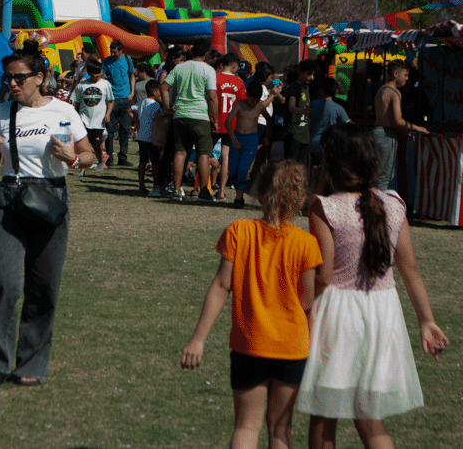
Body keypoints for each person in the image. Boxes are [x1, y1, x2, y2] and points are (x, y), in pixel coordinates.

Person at [297, 123, 449, 449]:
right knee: (368, 413)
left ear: (330, 163)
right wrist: (426, 320)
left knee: (324, 416)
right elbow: (410, 269)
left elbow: (322, 276)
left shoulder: (324, 206)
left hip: (337, 312)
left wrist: (301, 309)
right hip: (383, 311)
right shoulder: (393, 203)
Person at [0, 40, 95, 389]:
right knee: (5, 282)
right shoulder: (1, 113)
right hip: (9, 197)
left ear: (40, 77)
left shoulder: (63, 111)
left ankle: (31, 362)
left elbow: (89, 154)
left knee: (44, 287)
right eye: (8, 79)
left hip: (51, 197)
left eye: (19, 78)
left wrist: (72, 158)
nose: (11, 84)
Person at [181, 160, 322, 449]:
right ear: (299, 198)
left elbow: (221, 286)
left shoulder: (238, 231)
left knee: (246, 426)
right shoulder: (307, 243)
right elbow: (308, 300)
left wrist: (198, 339)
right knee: (280, 429)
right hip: (291, 347)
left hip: (249, 344)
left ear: (260, 193)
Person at [160, 39, 218, 202]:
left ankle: (177, 189)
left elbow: (163, 88)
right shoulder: (208, 70)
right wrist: (216, 119)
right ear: (206, 54)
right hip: (200, 115)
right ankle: (204, 192)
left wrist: (168, 108)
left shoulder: (179, 67)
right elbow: (212, 96)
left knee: (180, 152)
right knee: (203, 154)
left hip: (180, 114)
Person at [224, 78, 281, 208]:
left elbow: (268, 120)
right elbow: (228, 122)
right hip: (237, 137)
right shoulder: (239, 105)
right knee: (233, 170)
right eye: (252, 99)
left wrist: (267, 137)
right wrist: (233, 139)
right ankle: (238, 190)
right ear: (247, 95)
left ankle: (239, 197)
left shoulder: (259, 107)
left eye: (257, 100)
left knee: (243, 170)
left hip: (251, 139)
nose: (254, 102)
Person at [373, 61, 429, 191]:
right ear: (395, 73)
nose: (407, 78)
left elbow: (389, 120)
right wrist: (418, 128)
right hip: (386, 136)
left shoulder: (382, 89)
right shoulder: (394, 92)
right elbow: (398, 121)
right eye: (405, 75)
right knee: (384, 177)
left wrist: (405, 132)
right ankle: (378, 209)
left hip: (378, 133)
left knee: (377, 176)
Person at [72, 59, 113, 174]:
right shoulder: (82, 85)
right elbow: (76, 102)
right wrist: (75, 116)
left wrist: (108, 113)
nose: (98, 75)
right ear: (89, 73)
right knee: (82, 144)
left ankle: (100, 161)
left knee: (96, 145)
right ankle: (82, 168)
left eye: (99, 72)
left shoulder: (105, 84)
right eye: (95, 73)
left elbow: (110, 101)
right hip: (83, 119)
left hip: (98, 121)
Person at [215, 53, 245, 200]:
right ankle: (221, 190)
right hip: (231, 124)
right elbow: (242, 104)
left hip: (215, 120)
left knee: (204, 154)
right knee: (226, 157)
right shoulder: (239, 82)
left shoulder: (215, 78)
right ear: (234, 65)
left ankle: (201, 187)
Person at [102, 40, 135, 167]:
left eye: (115, 52)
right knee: (110, 129)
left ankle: (123, 157)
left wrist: (131, 92)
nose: (113, 54)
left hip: (125, 98)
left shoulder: (127, 59)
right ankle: (109, 158)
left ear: (121, 51)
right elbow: (102, 75)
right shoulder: (107, 61)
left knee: (125, 129)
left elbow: (132, 75)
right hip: (111, 100)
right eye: (111, 51)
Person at [129, 79, 162, 195]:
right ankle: (156, 186)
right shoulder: (155, 105)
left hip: (141, 135)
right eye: (159, 91)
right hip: (151, 137)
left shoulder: (142, 102)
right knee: (155, 163)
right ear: (154, 91)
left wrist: (136, 120)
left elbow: (129, 109)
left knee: (142, 161)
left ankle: (141, 185)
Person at [283, 59, 316, 168]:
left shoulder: (307, 88)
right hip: (293, 133)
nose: (312, 77)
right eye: (309, 74)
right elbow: (291, 107)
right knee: (290, 165)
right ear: (301, 71)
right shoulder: (293, 87)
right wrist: (301, 111)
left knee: (301, 166)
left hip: (304, 134)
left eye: (313, 74)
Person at [309, 77, 350, 159]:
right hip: (330, 145)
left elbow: (308, 124)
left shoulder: (312, 105)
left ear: (321, 90)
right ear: (336, 91)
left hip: (313, 145)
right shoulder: (339, 109)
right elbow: (348, 125)